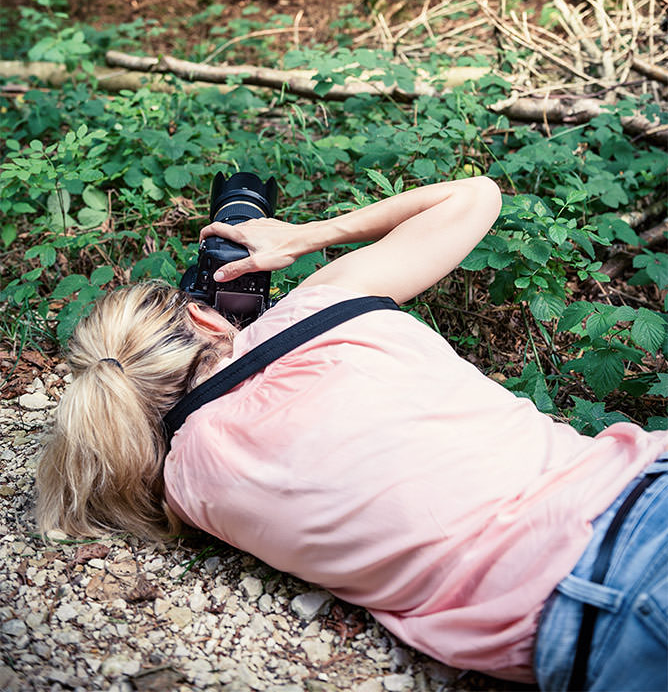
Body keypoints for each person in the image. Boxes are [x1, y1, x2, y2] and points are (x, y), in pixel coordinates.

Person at [36, 175, 667, 691]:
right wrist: (301, 238)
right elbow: (476, 196)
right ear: (203, 311)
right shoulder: (323, 308)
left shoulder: (188, 487)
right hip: (639, 507)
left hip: (580, 638)